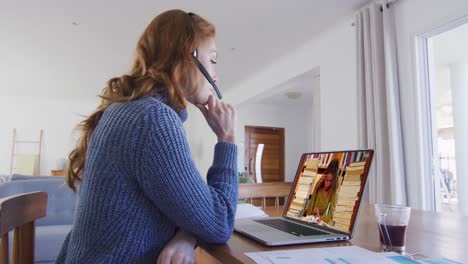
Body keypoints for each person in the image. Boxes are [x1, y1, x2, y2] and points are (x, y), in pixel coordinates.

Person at [56, 9, 238, 264]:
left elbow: (185, 206)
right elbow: (220, 223)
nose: (216, 75)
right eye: (213, 60)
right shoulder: (153, 121)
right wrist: (227, 138)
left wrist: (186, 234)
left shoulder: (131, 111)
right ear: (189, 57)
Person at [306, 159, 340, 224]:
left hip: (321, 222)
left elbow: (330, 211)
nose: (328, 183)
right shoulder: (318, 186)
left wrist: (319, 217)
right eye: (327, 180)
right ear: (324, 178)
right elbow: (311, 205)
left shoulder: (333, 192)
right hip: (311, 219)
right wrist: (311, 214)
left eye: (331, 181)